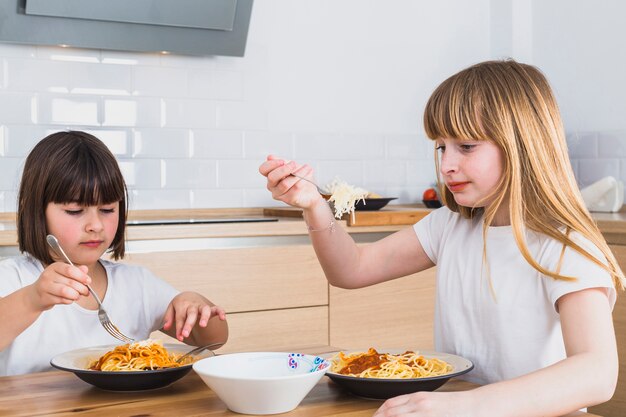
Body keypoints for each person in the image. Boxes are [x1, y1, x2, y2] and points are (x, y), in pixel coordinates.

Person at [259, 60, 624, 417]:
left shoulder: (565, 245)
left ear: (522, 145)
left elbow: (596, 373)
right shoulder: (450, 225)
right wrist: (313, 206)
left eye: (466, 146)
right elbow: (351, 269)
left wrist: (464, 406)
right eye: (441, 147)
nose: (447, 164)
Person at [0, 131, 228, 376]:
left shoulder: (136, 284)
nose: (95, 225)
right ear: (35, 210)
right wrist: (32, 299)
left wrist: (194, 303)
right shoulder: (12, 278)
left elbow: (214, 341)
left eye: (107, 209)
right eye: (75, 210)